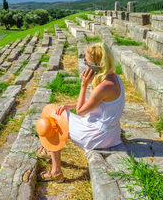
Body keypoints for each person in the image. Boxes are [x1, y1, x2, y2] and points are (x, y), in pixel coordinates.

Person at [35, 42, 125, 182]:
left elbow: (81, 111)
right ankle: (50, 149)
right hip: (111, 133)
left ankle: (56, 171)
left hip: (98, 136)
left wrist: (83, 86)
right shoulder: (114, 77)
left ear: (96, 65)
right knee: (59, 111)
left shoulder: (104, 87)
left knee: (53, 119)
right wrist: (68, 106)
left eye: (87, 62)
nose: (85, 65)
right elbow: (94, 103)